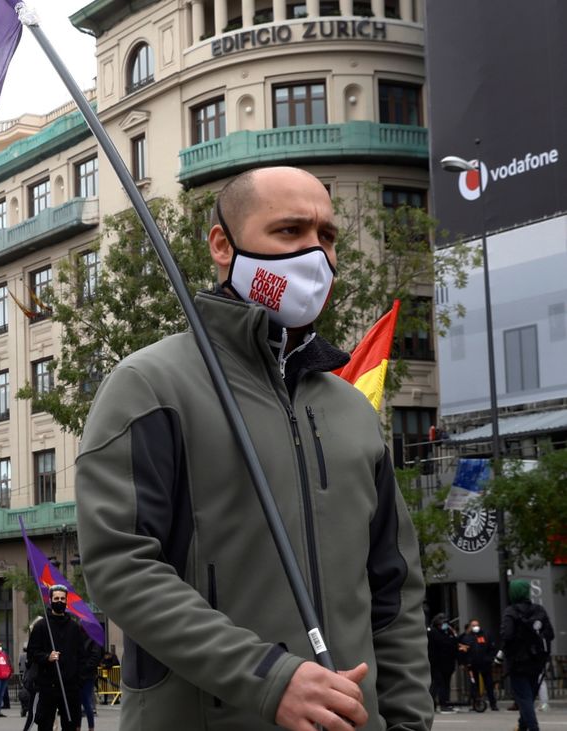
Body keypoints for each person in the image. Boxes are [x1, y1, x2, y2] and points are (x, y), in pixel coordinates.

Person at [76, 165, 432, 730]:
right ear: (223, 245)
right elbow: (121, 567)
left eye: (327, 236)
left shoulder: (351, 411)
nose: (315, 255)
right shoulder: (150, 387)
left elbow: (395, 591)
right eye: (289, 232)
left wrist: (410, 722)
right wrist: (267, 679)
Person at [26, 588, 102, 731]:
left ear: (66, 601)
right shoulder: (41, 626)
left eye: (62, 599)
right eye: (56, 599)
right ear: (50, 600)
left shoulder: (74, 627)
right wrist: (46, 657)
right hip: (48, 686)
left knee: (71, 725)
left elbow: (82, 656)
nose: (59, 601)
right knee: (45, 725)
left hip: (70, 687)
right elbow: (32, 653)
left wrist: (79, 679)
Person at [501, 579, 555, 731]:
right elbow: (550, 634)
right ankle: (522, 725)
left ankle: (533, 727)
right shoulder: (539, 610)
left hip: (518, 662)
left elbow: (507, 635)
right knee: (529, 696)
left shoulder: (511, 612)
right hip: (537, 660)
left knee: (523, 697)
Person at [457, 619, 496, 711]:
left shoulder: (486, 635)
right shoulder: (466, 638)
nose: (475, 627)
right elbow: (461, 651)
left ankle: (493, 704)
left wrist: (489, 659)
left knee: (489, 684)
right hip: (472, 665)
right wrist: (463, 663)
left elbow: (492, 648)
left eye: (477, 625)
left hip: (485, 664)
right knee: (474, 685)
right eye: (473, 625)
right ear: (470, 626)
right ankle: (477, 703)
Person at [426, 614, 458, 712]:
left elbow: (454, 644)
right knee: (439, 685)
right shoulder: (432, 632)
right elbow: (440, 644)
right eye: (442, 623)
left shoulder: (448, 632)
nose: (444, 625)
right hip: (437, 664)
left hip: (448, 664)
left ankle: (445, 703)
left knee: (445, 685)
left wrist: (453, 634)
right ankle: (437, 704)